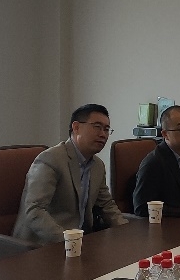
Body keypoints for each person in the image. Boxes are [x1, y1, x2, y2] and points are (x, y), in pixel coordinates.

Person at [12, 103, 128, 244]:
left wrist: (127, 231)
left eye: (107, 129)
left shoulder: (97, 165)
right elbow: (34, 210)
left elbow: (106, 205)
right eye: (97, 127)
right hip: (42, 245)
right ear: (76, 127)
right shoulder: (50, 159)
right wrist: (69, 241)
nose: (103, 134)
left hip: (80, 243)